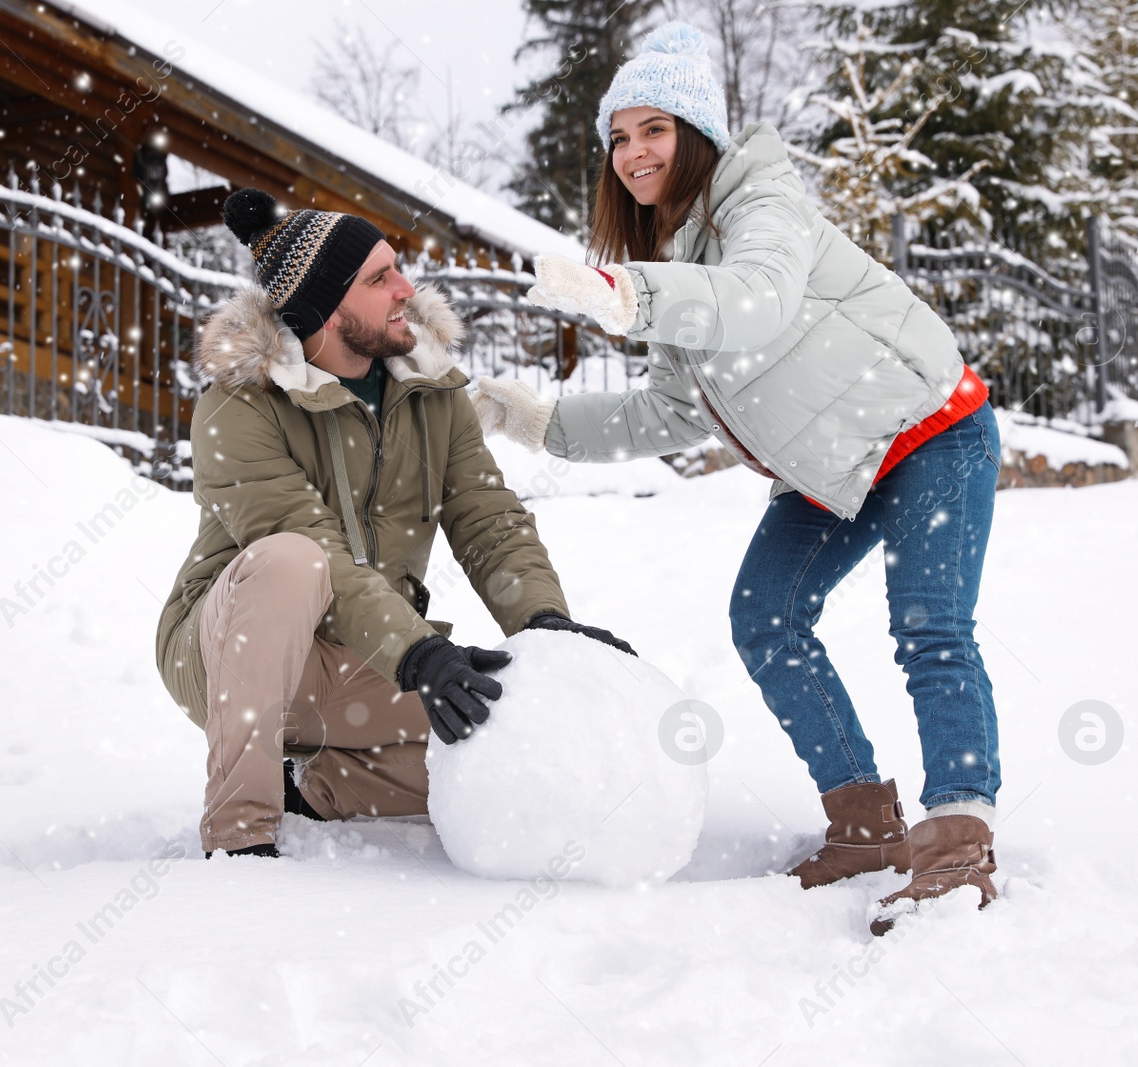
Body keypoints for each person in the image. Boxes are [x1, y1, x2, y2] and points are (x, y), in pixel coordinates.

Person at [472, 22, 1003, 935]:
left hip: (931, 429)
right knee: (766, 614)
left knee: (929, 627)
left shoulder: (763, 201)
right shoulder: (671, 254)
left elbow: (757, 301)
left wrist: (629, 296)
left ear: (698, 133)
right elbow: (669, 412)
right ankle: (866, 824)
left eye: (655, 130)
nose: (635, 153)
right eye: (620, 137)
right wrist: (531, 418)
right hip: (833, 466)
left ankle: (957, 847)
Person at [154, 188, 633, 860]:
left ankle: (316, 785)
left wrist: (543, 627)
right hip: (233, 649)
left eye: (397, 268)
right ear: (324, 307)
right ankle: (241, 835)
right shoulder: (240, 406)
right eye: (380, 278)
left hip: (365, 658)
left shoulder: (434, 393)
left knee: (493, 737)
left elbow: (487, 518)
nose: (406, 288)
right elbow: (316, 547)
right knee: (293, 559)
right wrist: (417, 653)